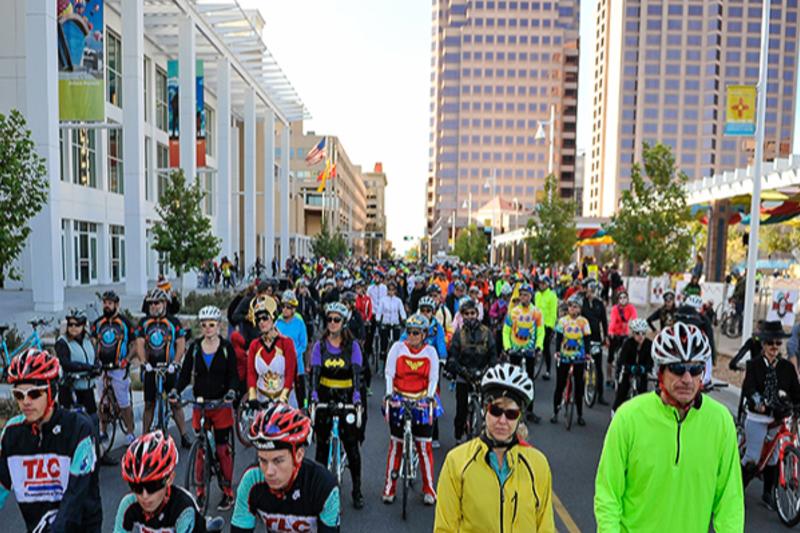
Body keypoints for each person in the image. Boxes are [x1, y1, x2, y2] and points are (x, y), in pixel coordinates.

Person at [594, 322, 744, 532]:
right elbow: (608, 493)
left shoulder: (721, 421)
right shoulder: (628, 417)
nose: (687, 379)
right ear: (661, 371)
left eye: (695, 369)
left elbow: (730, 500)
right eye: (677, 368)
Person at [434, 363, 554, 532]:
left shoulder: (538, 464)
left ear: (520, 417)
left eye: (511, 414)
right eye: (496, 411)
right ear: (484, 410)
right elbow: (444, 528)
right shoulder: (457, 462)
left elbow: (545, 526)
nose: (502, 421)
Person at [0, 349, 102, 532]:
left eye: (34, 394)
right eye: (18, 395)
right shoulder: (11, 434)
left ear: (52, 391)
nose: (25, 402)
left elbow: (74, 500)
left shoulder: (79, 430)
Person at [171, 305, 239, 511]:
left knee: (221, 449)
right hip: (200, 404)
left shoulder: (227, 348)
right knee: (201, 449)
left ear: (219, 326)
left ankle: (227, 491)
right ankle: (200, 492)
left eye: (212, 325)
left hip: (220, 404)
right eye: (204, 325)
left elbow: (233, 376)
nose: (208, 328)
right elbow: (184, 375)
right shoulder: (194, 348)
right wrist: (176, 390)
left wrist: (232, 392)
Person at [231, 404, 340, 532]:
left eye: (278, 461)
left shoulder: (323, 486)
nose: (269, 472)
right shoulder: (251, 480)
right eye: (263, 460)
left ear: (298, 455)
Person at [309, 302, 365, 509]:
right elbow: (314, 374)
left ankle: (357, 490)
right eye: (329, 319)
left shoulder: (353, 346)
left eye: (337, 320)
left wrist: (357, 398)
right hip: (325, 396)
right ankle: (318, 490)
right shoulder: (319, 346)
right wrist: (313, 396)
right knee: (321, 448)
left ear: (343, 323)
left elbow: (357, 375)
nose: (332, 324)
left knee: (352, 447)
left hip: (346, 397)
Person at [740, 321, 800, 510]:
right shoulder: (754, 365)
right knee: (753, 457)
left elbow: (796, 392)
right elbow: (749, 389)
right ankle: (737, 489)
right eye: (770, 343)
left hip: (778, 419)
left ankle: (768, 493)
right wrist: (762, 405)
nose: (774, 347)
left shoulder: (787, 368)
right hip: (758, 417)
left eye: (777, 343)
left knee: (774, 458)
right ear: (764, 344)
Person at [382, 313, 440, 505]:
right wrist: (390, 394)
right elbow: (389, 372)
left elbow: (433, 378)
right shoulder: (397, 348)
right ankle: (390, 487)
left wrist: (430, 396)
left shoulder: (431, 352)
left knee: (424, 447)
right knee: (396, 445)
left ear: (424, 334)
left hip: (421, 400)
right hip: (399, 398)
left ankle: (429, 488)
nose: (412, 336)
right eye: (409, 332)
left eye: (416, 333)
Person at [115, 431, 206, 532]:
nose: (144, 496)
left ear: (169, 479)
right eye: (137, 487)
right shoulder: (128, 504)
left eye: (152, 486)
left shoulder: (183, 508)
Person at [136, 288, 190, 447]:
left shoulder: (173, 322)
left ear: (165, 303)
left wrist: (176, 362)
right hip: (151, 369)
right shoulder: (144, 323)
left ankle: (184, 435)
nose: (153, 306)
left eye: (157, 303)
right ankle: (144, 437)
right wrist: (143, 362)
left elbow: (180, 344)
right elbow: (139, 344)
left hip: (169, 368)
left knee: (175, 402)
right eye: (151, 303)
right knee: (149, 404)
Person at [447, 298, 498, 443]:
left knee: (490, 407)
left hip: (482, 373)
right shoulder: (458, 334)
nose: (470, 316)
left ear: (477, 314)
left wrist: (490, 368)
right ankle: (458, 437)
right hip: (464, 375)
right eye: (466, 314)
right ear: (462, 316)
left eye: (472, 313)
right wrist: (459, 370)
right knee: (461, 410)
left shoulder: (486, 332)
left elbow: (493, 353)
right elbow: (453, 357)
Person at [92, 290, 137, 449]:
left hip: (119, 369)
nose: (106, 306)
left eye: (109, 303)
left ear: (116, 305)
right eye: (104, 303)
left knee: (124, 403)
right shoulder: (98, 323)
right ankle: (103, 431)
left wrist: (127, 359)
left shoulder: (125, 323)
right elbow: (94, 343)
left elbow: (135, 345)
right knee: (103, 403)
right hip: (102, 369)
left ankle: (130, 432)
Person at [502, 283, 545, 419]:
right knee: (513, 379)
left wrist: (539, 346)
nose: (523, 297)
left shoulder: (536, 312)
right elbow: (506, 331)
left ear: (530, 296)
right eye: (521, 295)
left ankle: (530, 410)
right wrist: (507, 346)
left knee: (529, 380)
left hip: (530, 349)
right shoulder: (513, 312)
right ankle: (512, 407)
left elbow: (540, 331)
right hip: (515, 349)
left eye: (526, 295)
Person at [246, 298, 298, 408]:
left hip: (285, 399)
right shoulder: (254, 345)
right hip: (262, 400)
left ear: (272, 317)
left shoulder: (286, 343)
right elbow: (251, 372)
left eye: (265, 318)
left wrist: (284, 397)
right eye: (258, 319)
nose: (261, 322)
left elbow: (290, 373)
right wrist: (252, 395)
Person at [551, 297, 592, 426]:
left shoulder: (584, 322)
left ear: (580, 309)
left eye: (575, 306)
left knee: (579, 387)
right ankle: (555, 412)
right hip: (564, 356)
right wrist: (557, 351)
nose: (572, 309)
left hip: (579, 357)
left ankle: (579, 415)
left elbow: (587, 339)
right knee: (560, 385)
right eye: (570, 306)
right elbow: (558, 338)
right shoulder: (563, 321)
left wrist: (588, 354)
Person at [55, 308, 99, 419]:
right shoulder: (62, 342)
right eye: (70, 324)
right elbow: (65, 363)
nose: (73, 327)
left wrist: (97, 367)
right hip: (70, 388)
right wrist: (86, 367)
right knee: (71, 421)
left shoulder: (88, 340)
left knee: (93, 417)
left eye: (77, 324)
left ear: (83, 325)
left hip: (87, 387)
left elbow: (94, 357)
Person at [611, 318, 653, 412]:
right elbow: (621, 360)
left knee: (643, 393)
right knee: (622, 392)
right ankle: (614, 412)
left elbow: (651, 362)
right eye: (638, 333)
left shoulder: (649, 344)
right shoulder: (628, 343)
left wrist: (644, 368)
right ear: (633, 333)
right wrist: (629, 367)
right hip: (628, 369)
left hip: (642, 370)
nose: (641, 336)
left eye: (643, 333)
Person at [276, 290, 309, 408]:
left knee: (302, 395)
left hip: (297, 365)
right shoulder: (277, 323)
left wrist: (294, 354)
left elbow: (303, 344)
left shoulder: (299, 322)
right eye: (283, 306)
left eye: (288, 307)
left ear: (293, 309)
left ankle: (305, 410)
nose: (285, 309)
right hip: (282, 366)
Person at [581, 281, 609, 405]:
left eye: (592, 291)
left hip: (597, 338)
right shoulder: (582, 302)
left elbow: (604, 321)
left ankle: (601, 395)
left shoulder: (599, 304)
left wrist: (606, 336)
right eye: (588, 290)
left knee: (598, 367)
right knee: (582, 365)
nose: (590, 293)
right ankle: (581, 390)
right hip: (583, 338)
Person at [607, 290, 637, 385]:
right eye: (621, 298)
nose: (623, 300)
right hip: (615, 333)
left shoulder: (631, 308)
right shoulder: (615, 309)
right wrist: (611, 331)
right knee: (611, 357)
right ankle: (609, 377)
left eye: (625, 297)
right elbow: (613, 320)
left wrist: (634, 330)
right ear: (618, 299)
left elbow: (634, 318)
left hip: (626, 333)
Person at [375, 281, 406, 363]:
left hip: (395, 324)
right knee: (383, 343)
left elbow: (402, 311)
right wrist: (378, 319)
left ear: (395, 291)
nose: (391, 292)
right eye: (389, 290)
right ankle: (382, 360)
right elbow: (379, 311)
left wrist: (404, 319)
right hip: (386, 324)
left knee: (396, 343)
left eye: (393, 290)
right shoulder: (383, 300)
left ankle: (396, 360)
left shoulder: (398, 300)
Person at [535, 276, 558, 380]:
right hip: (536, 324)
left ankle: (548, 370)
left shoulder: (552, 296)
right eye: (540, 283)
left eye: (543, 283)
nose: (541, 285)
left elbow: (553, 312)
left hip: (546, 325)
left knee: (546, 348)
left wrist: (551, 326)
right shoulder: (537, 295)